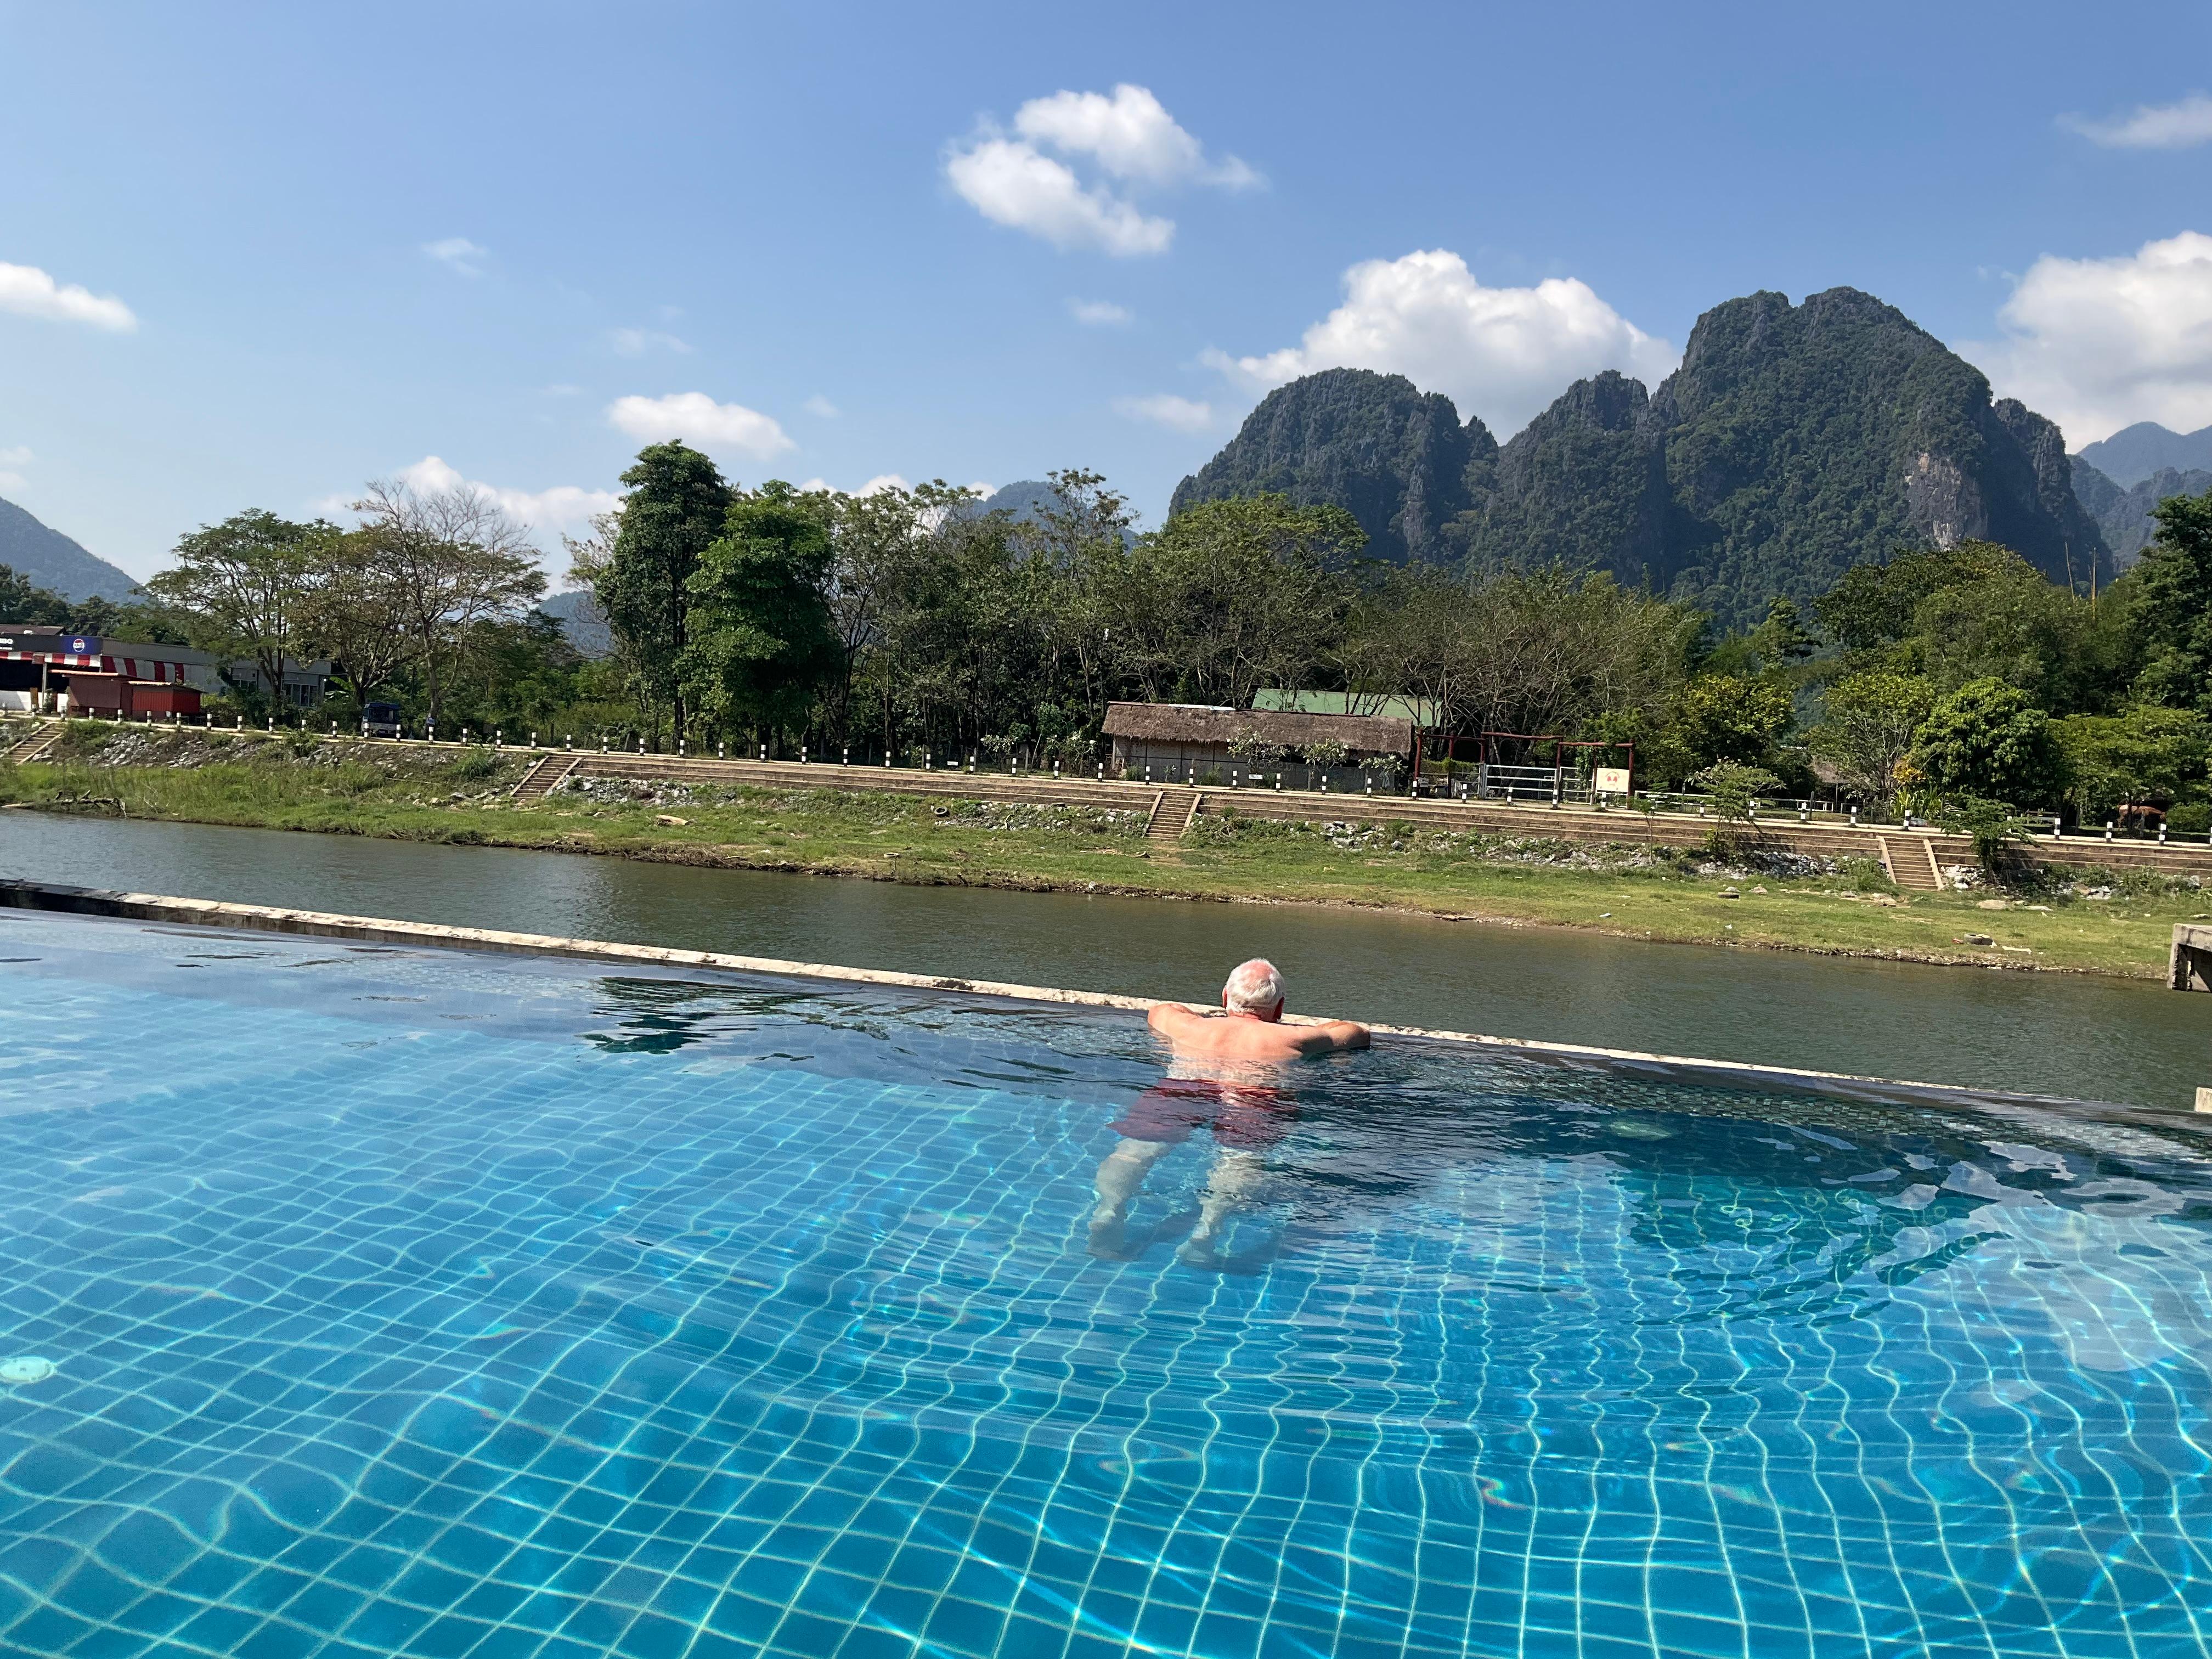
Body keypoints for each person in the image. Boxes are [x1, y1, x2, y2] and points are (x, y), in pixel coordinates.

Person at [1090, 958, 1368, 1264]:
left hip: (1189, 1082)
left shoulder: (1191, 1028)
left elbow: (1160, 1010)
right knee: (1240, 1161)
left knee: (1135, 1151)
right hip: (1255, 1092)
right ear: (1279, 1007)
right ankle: (1205, 1233)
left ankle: (1109, 1211)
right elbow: (1355, 1034)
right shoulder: (1295, 1039)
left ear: (1225, 997)